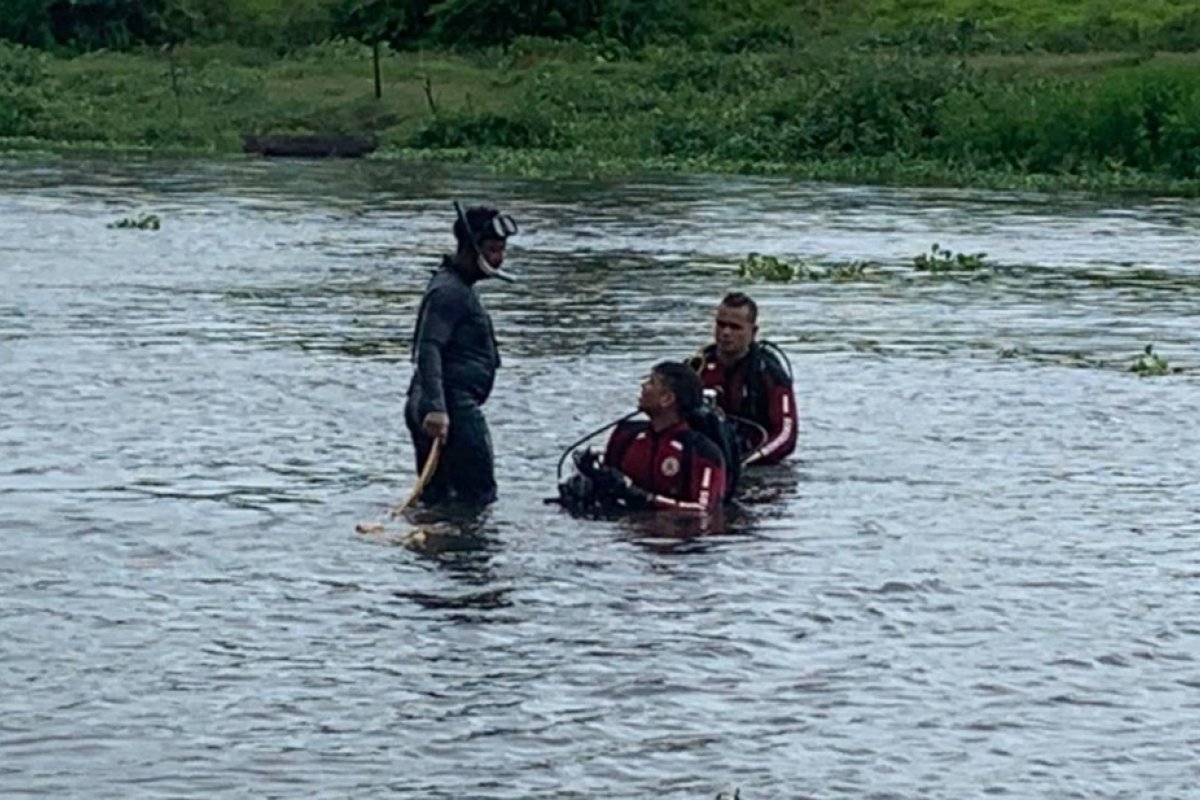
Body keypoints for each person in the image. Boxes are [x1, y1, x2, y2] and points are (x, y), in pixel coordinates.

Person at [404, 204, 518, 506]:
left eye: (502, 250)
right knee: (477, 498)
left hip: (440, 403)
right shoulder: (449, 292)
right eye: (493, 250)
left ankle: (433, 534)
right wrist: (437, 409)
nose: (499, 259)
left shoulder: (456, 286)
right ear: (471, 248)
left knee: (439, 499)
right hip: (450, 408)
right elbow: (428, 348)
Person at [562, 362, 728, 513]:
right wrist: (588, 480)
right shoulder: (626, 435)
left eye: (651, 382)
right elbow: (610, 489)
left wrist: (644, 497)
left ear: (667, 399)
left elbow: (704, 511)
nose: (643, 386)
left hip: (674, 533)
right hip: (626, 528)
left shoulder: (701, 452)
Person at [689, 291, 797, 466]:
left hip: (756, 461)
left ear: (753, 332)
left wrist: (747, 462)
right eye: (721, 325)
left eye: (735, 327)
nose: (725, 332)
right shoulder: (695, 369)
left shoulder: (769, 373)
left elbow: (786, 435)